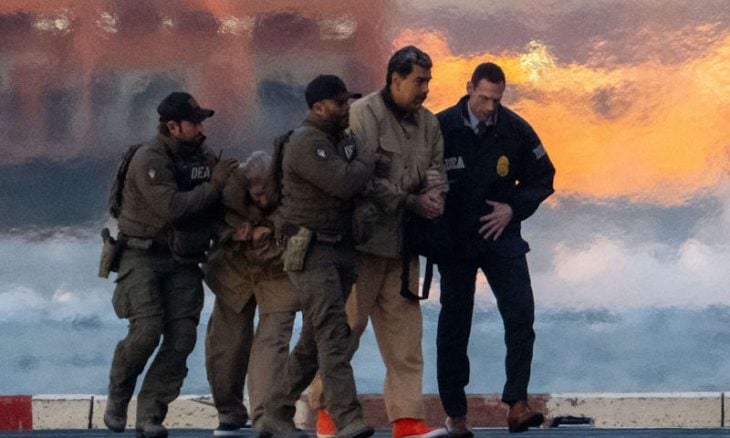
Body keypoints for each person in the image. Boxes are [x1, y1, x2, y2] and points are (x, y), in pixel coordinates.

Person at [311, 45, 446, 438]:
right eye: (419, 81)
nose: (425, 89)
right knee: (345, 331)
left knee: (406, 340)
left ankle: (407, 420)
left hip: (404, 247)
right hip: (362, 246)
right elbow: (363, 178)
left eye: (428, 81)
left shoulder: (429, 124)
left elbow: (437, 169)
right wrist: (412, 200)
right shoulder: (363, 115)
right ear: (395, 79)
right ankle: (328, 413)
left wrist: (436, 194)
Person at [103, 91, 239, 438]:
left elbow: (215, 205)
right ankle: (119, 395)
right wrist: (215, 185)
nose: (201, 128)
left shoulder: (203, 157)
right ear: (173, 127)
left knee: (181, 338)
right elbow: (173, 207)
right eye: (194, 123)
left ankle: (151, 414)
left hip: (183, 258)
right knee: (146, 331)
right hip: (142, 254)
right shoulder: (150, 159)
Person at [435, 62, 556, 435]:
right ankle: (456, 414)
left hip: (501, 234)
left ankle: (517, 403)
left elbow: (544, 176)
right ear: (469, 87)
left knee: (521, 315)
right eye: (484, 98)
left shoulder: (515, 128)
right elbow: (415, 176)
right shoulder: (441, 127)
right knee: (455, 324)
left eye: (497, 100)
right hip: (457, 239)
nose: (490, 108)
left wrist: (513, 208)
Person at [256, 74, 379, 438]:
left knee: (315, 338)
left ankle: (275, 413)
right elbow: (344, 182)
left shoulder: (339, 140)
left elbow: (356, 179)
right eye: (340, 103)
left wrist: (361, 163)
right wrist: (367, 160)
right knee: (333, 333)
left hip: (339, 246)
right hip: (312, 249)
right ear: (318, 107)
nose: (347, 108)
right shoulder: (307, 142)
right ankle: (347, 418)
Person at [203, 151, 300, 436]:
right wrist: (233, 233)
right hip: (234, 270)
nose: (262, 200)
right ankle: (229, 411)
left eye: (267, 192)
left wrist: (268, 230)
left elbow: (302, 218)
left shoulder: (294, 189)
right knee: (227, 343)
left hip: (278, 271)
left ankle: (266, 416)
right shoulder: (225, 190)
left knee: (273, 342)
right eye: (256, 194)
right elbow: (204, 219)